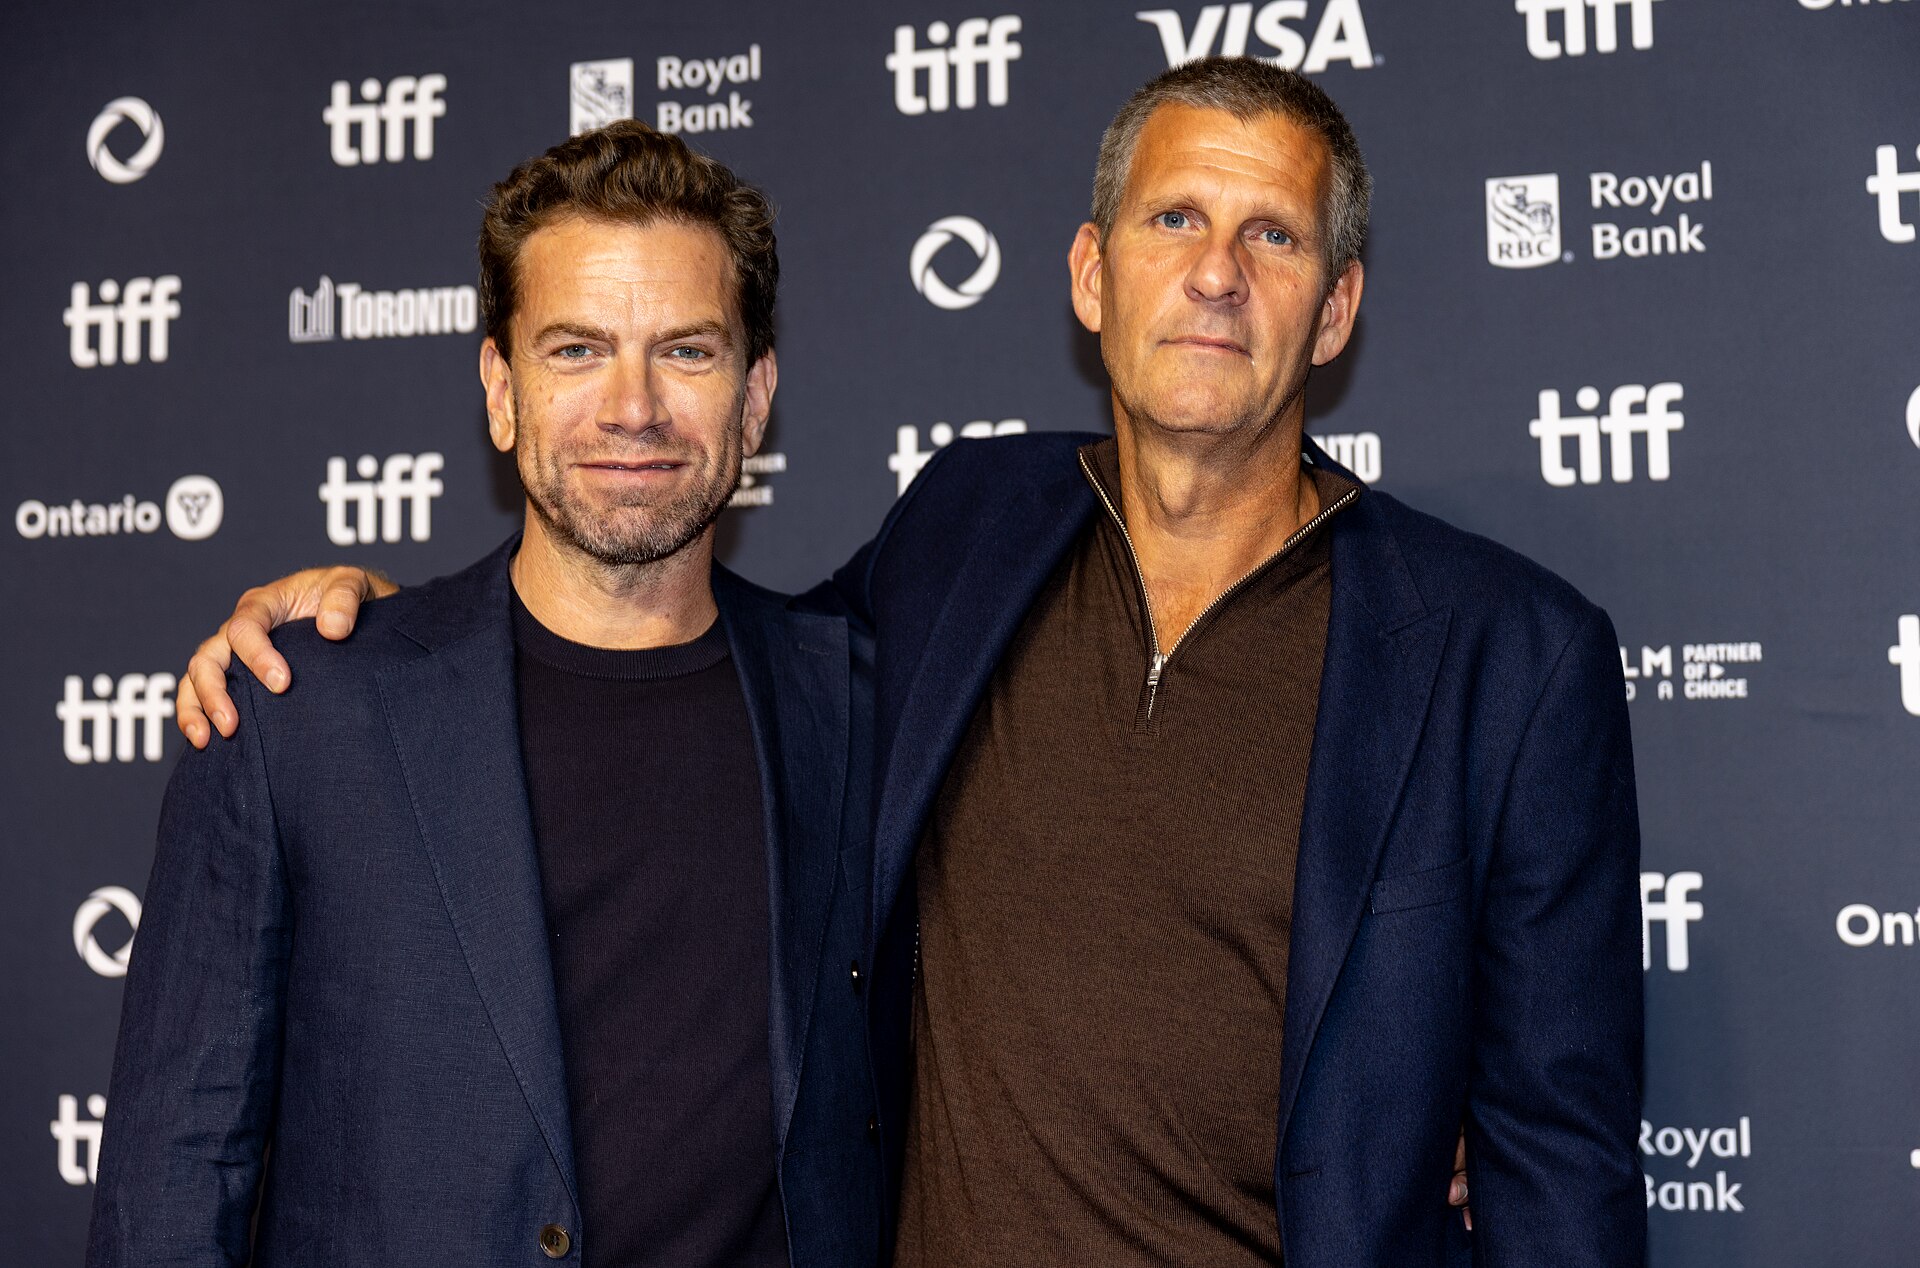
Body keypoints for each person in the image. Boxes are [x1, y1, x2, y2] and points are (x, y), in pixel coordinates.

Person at [178, 60, 1641, 1266]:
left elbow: (1559, 1157)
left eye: (1273, 237)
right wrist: (385, 621)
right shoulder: (967, 529)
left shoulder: (1510, 660)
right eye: (1172, 221)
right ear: (1090, 274)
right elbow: (665, 624)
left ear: (1335, 305)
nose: (1214, 276)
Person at [89, 122, 883, 1268]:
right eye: (575, 351)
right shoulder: (299, 712)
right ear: (500, 390)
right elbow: (170, 1182)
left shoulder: (861, 703)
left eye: (689, 352)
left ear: (756, 397)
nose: (633, 407)